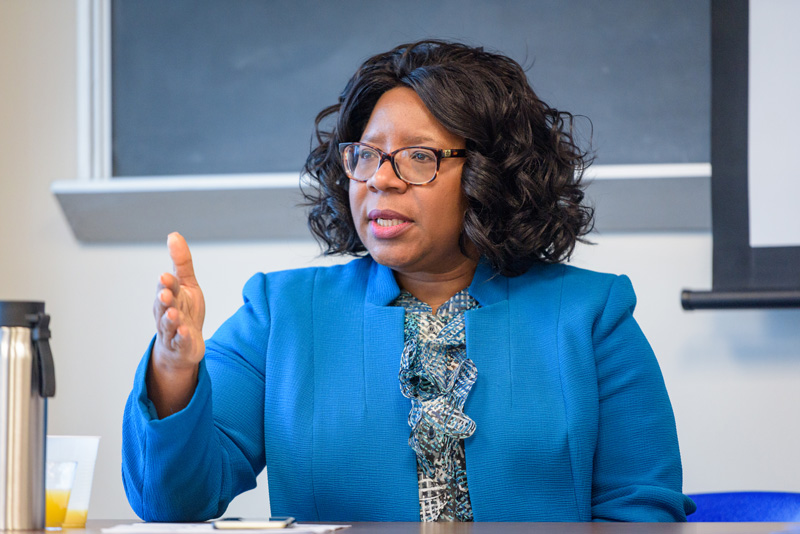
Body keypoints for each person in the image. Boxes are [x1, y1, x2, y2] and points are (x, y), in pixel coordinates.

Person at [122, 40, 696, 523]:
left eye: (418, 157)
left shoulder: (593, 315)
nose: (381, 181)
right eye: (365, 156)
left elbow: (641, 514)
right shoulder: (281, 313)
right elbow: (170, 505)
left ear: (489, 172)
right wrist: (175, 371)